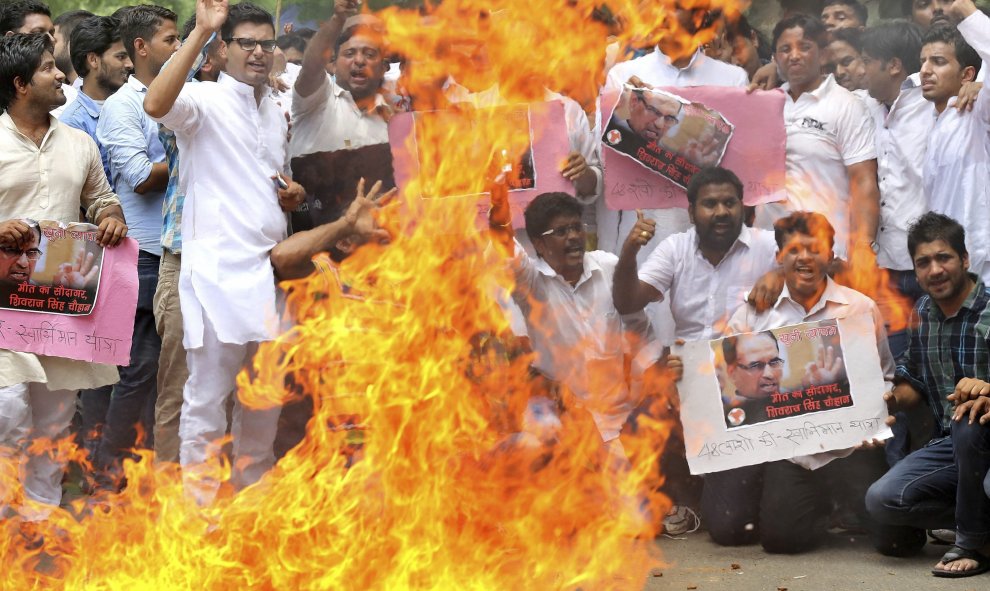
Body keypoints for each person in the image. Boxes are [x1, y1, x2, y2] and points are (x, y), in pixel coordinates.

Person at [144, 0, 305, 505]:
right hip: (215, 280)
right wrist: (202, 31)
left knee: (263, 402)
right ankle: (199, 516)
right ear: (224, 49)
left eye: (266, 43)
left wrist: (291, 194)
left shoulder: (276, 110)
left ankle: (253, 504)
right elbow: (155, 106)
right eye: (246, 43)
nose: (259, 53)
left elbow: (265, 179)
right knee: (206, 403)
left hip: (268, 276)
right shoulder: (201, 101)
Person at [706, 211, 893, 553]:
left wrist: (876, 411)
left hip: (850, 449)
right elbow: (722, 382)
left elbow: (886, 377)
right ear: (779, 258)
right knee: (781, 540)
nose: (804, 257)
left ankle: (844, 501)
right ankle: (821, 505)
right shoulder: (754, 313)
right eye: (793, 249)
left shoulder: (860, 308)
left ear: (830, 254)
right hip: (789, 452)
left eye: (814, 248)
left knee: (898, 542)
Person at [0, 32, 127, 524]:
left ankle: (40, 520)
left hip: (63, 300)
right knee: (8, 413)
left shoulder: (79, 142)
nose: (61, 76)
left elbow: (101, 197)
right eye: (50, 68)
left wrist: (111, 215)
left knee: (53, 421)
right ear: (20, 84)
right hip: (5, 302)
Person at [487, 187, 656, 458]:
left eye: (577, 227)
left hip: (617, 415)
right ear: (539, 245)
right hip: (556, 416)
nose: (574, 237)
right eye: (561, 232)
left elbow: (641, 329)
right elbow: (506, 247)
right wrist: (499, 216)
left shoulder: (610, 267)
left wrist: (647, 389)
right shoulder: (531, 283)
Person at [865, 212, 990, 577]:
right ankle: (980, 527)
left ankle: (970, 540)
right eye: (924, 263)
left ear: (965, 259)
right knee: (882, 499)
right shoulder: (922, 312)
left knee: (971, 426)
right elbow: (911, 380)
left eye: (944, 257)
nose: (935, 270)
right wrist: (880, 403)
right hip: (951, 448)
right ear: (915, 272)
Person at [93, 4, 180, 490]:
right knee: (138, 372)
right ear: (141, 48)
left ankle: (154, 475)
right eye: (170, 39)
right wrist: (193, 146)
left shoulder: (188, 95)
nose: (178, 47)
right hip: (143, 255)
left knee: (176, 372)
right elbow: (143, 177)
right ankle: (107, 479)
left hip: (185, 252)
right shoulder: (121, 105)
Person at [153, 14, 225, 466]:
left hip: (236, 265)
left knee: (229, 392)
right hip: (184, 261)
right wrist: (202, 33)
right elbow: (161, 99)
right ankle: (164, 506)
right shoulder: (187, 102)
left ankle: (217, 503)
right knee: (178, 389)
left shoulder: (261, 104)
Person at [754, 14, 879, 266]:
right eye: (785, 49)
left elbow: (864, 181)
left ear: (823, 54)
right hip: (766, 250)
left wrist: (864, 246)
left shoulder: (845, 105)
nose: (794, 55)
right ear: (776, 58)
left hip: (824, 249)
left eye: (805, 47)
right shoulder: (764, 104)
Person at [613, 166, 779, 342]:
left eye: (730, 203)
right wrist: (629, 251)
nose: (722, 212)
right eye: (710, 204)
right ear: (691, 213)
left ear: (743, 207)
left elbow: (810, 263)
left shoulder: (767, 245)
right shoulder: (675, 249)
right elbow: (628, 304)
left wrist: (780, 274)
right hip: (688, 364)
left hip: (747, 362)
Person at [290, 0, 394, 232]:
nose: (359, 61)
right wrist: (337, 20)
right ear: (333, 64)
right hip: (315, 250)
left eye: (369, 54)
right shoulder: (316, 101)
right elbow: (311, 66)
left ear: (383, 67)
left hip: (378, 250)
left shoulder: (393, 119)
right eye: (349, 53)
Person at [919, 3, 990, 282]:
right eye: (922, 61)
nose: (925, 70)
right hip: (943, 274)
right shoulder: (934, 119)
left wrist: (968, 12)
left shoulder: (977, 112)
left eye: (938, 61)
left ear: (967, 75)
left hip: (981, 270)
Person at [59, 15, 133, 183]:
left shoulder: (135, 103)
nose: (129, 64)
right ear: (93, 60)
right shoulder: (74, 124)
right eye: (120, 57)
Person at [719, 331, 784, 427]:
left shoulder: (799, 400)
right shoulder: (727, 420)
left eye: (774, 362)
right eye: (756, 366)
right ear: (732, 373)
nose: (769, 374)